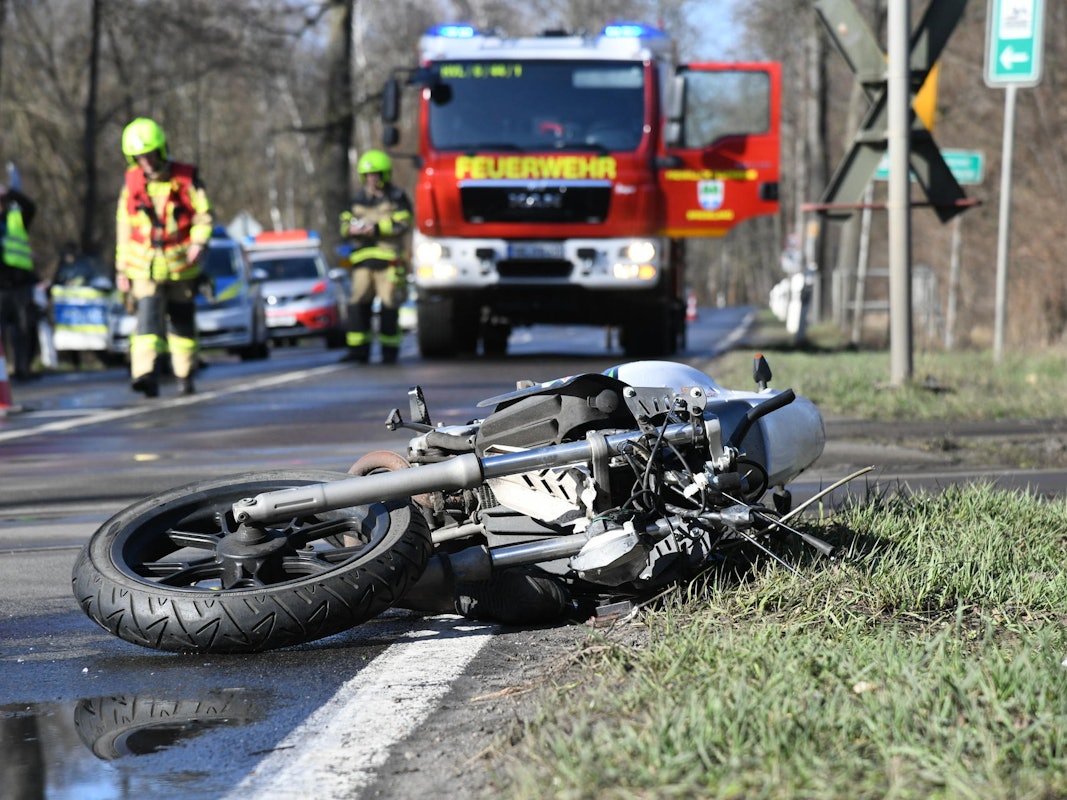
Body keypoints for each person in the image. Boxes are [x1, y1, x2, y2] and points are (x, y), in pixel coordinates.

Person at [115, 117, 213, 397]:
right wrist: (121, 270)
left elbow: (204, 216)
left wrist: (199, 241)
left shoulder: (186, 178)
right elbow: (124, 228)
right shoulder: (131, 184)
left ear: (160, 150)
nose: (144, 161)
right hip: (143, 267)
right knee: (146, 322)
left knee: (181, 322)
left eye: (148, 155)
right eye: (138, 157)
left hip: (182, 266)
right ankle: (145, 375)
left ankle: (185, 374)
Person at [338, 149, 412, 364]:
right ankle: (358, 351)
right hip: (362, 261)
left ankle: (390, 352)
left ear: (384, 175)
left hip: (389, 261)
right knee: (358, 303)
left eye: (376, 175)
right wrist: (351, 230)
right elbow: (343, 223)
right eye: (368, 175)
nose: (372, 179)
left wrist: (377, 228)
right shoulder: (356, 199)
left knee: (389, 304)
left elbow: (403, 222)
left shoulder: (396, 198)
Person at [0, 183, 39, 381]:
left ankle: (22, 368)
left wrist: (9, 191)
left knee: (23, 329)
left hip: (20, 284)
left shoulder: (17, 218)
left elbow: (30, 206)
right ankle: (2, 373)